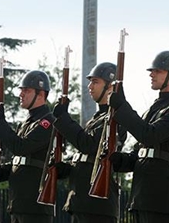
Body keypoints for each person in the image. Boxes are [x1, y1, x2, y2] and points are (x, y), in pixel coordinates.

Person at [108, 51, 169, 223]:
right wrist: (119, 161)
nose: (151, 74)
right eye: (152, 71)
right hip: (142, 194)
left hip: (161, 194)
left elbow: (150, 135)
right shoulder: (154, 108)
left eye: (158, 71)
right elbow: (140, 151)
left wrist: (122, 106)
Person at [52, 62, 127, 223]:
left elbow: (90, 145)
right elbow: (88, 157)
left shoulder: (116, 117)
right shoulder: (97, 118)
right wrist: (68, 168)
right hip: (82, 201)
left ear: (111, 86)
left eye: (95, 82)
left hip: (97, 206)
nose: (90, 86)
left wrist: (64, 119)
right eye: (90, 82)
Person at [0, 70, 56, 223]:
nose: (21, 94)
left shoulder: (48, 122)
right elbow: (19, 159)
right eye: (21, 90)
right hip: (19, 203)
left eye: (26, 90)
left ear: (41, 94)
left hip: (35, 204)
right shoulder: (27, 123)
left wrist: (0, 124)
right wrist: (0, 171)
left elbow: (21, 147)